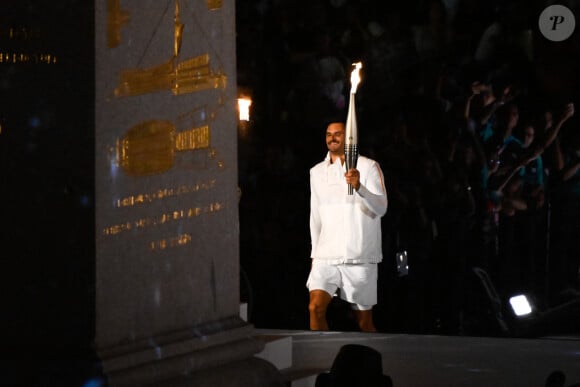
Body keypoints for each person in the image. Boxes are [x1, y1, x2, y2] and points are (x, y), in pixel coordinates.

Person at [307, 120, 388, 332]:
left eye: (338, 134)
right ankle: (322, 358)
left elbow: (381, 207)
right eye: (328, 134)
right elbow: (315, 216)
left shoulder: (368, 166)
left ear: (349, 137)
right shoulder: (316, 172)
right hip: (326, 256)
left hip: (359, 256)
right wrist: (315, 255)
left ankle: (375, 361)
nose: (332, 137)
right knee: (315, 307)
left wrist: (360, 187)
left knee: (364, 322)